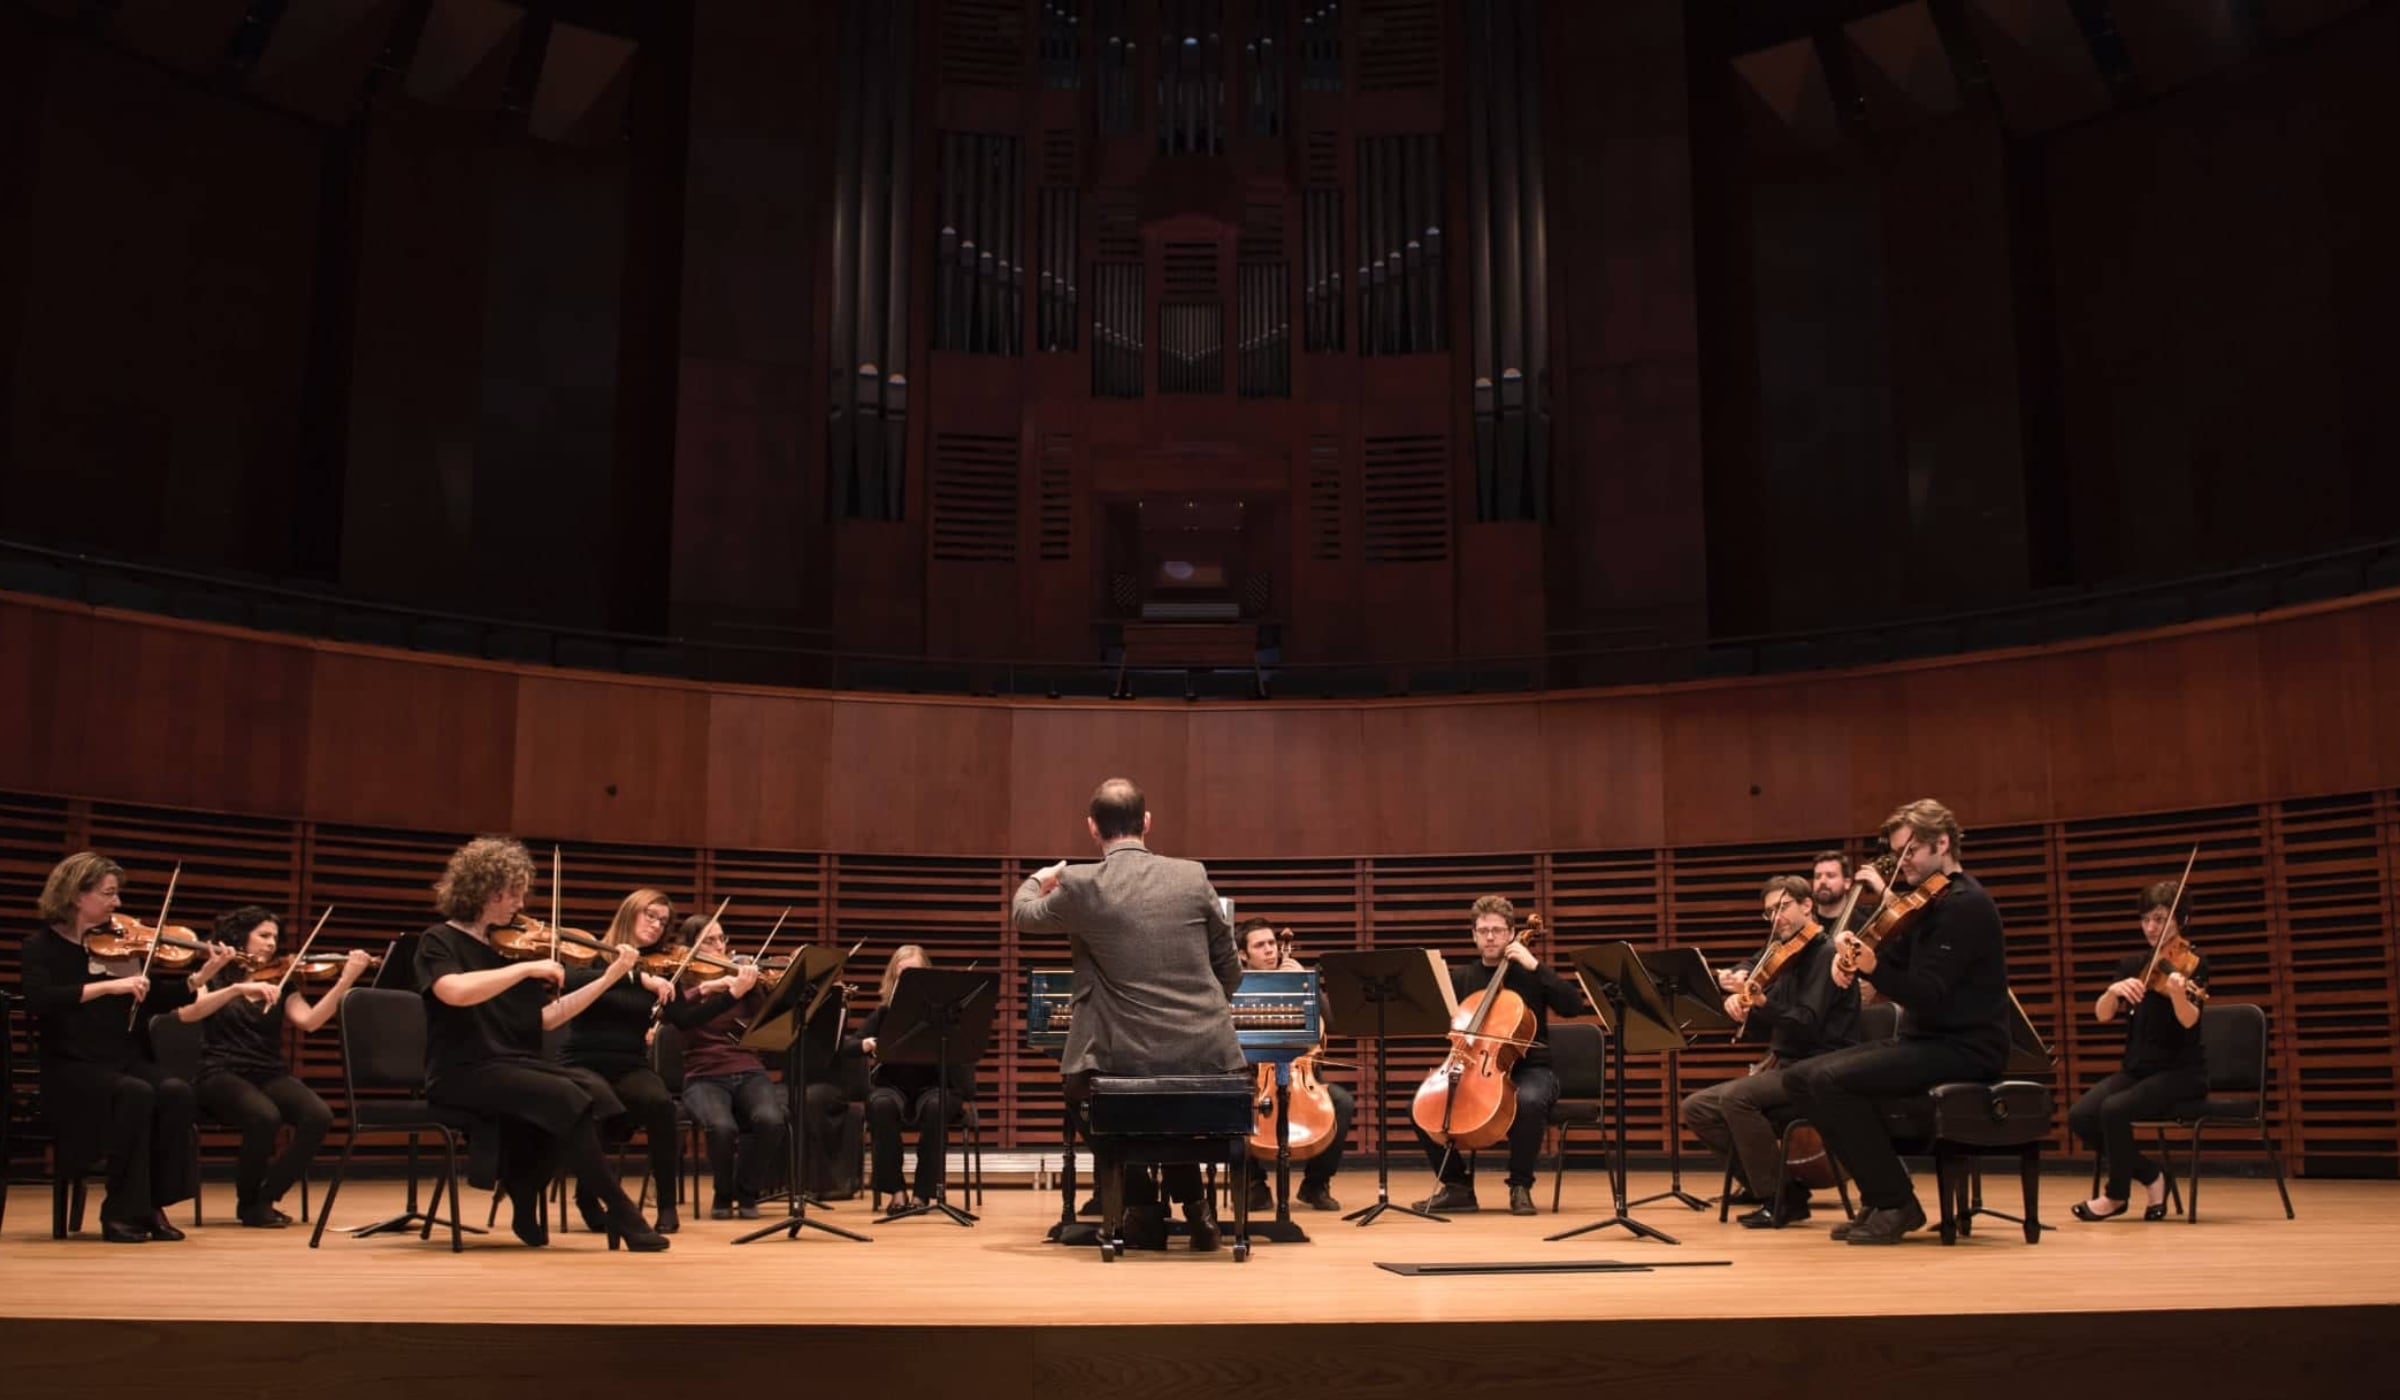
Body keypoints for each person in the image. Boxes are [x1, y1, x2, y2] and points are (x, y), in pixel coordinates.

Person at [1010, 777, 1244, 1251]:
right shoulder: (1192, 875)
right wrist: (1194, 1012)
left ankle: (1142, 1209)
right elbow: (1231, 971)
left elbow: (1023, 915)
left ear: (1092, 827)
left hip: (1123, 1051)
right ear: (1147, 822)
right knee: (1169, 1105)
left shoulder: (1081, 883)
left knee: (1087, 1094)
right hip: (1206, 1051)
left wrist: (1041, 877)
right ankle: (1197, 1210)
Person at [411, 837, 668, 1251]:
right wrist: (525, 970)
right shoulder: (439, 940)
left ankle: (526, 1185)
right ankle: (621, 1209)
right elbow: (452, 991)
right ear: (484, 890)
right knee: (565, 1095)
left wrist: (609, 977)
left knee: (595, 1091)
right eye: (513, 893)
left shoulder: (511, 948)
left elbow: (547, 1018)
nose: (520, 903)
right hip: (463, 1070)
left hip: (514, 1064)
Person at [1785, 798, 2012, 1245]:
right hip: (1926, 1041)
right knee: (1799, 1079)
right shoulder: (1926, 904)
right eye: (1897, 852)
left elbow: (1927, 993)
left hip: (1966, 1047)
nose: (1901, 862)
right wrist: (1851, 960)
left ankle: (1896, 1202)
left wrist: (1872, 968)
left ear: (1942, 844)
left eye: (1910, 851)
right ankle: (1880, 1192)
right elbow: (1893, 960)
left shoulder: (1965, 905)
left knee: (1829, 1080)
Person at [15, 852, 265, 1242]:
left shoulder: (119, 945)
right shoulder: (41, 946)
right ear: (77, 894)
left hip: (123, 1058)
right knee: (135, 1093)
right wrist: (108, 986)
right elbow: (39, 1000)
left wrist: (203, 975)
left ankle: (151, 1204)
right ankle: (119, 1211)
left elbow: (155, 999)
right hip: (72, 1066)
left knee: (176, 1091)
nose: (117, 903)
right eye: (108, 893)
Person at [1682, 875, 1860, 1228]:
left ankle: (1781, 1198)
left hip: (1820, 1068)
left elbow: (1806, 1023)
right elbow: (1766, 1010)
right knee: (1697, 1108)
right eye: (1769, 912)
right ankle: (1772, 1187)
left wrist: (1763, 1003)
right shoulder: (1784, 956)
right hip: (1787, 1067)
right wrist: (1742, 1005)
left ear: (1807, 905)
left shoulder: (1825, 954)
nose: (1776, 917)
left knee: (1736, 1098)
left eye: (1783, 907)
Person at [178, 905, 373, 1227]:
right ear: (241, 936)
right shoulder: (214, 976)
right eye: (263, 935)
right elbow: (189, 1013)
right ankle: (248, 1203)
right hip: (219, 1071)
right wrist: (237, 989)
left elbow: (310, 1021)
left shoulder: (283, 982)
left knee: (318, 1115)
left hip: (267, 1071)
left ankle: (267, 1196)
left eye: (274, 937)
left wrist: (346, 980)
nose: (271, 943)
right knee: (264, 1116)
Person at [1412, 895, 1590, 1217]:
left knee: (1528, 1101)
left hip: (1532, 1070)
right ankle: (1457, 1187)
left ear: (1510, 933)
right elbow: (1437, 1020)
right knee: (1423, 1107)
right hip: (1473, 1067)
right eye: (1483, 931)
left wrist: (1535, 966)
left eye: (1497, 930)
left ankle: (1520, 1186)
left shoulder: (1530, 973)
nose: (1490, 937)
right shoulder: (1462, 978)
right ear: (1474, 935)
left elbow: (1573, 1005)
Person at [558, 888, 704, 1233]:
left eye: (663, 922)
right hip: (582, 1061)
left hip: (629, 1064)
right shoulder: (591, 955)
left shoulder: (659, 967)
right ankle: (588, 1197)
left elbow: (686, 1019)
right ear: (629, 912)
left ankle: (666, 1205)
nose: (656, 925)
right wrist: (636, 977)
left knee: (661, 1105)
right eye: (649, 915)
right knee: (600, 1105)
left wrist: (733, 993)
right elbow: (569, 981)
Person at [2068, 880, 2208, 1222]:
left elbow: (2190, 1020)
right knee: (2081, 1116)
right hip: (2138, 1070)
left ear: (2181, 919)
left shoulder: (2193, 963)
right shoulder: (2133, 965)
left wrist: (2178, 995)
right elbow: (2102, 1014)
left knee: (2114, 1109)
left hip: (2181, 1072)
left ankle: (2115, 1196)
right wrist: (2112, 991)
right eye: (2146, 919)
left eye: (2160, 919)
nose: (2151, 928)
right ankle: (2151, 1175)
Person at [668, 914, 789, 1219]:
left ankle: (747, 1191)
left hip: (748, 1068)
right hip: (703, 1074)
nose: (720, 946)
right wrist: (707, 989)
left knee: (772, 1120)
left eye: (722, 939)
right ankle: (723, 1193)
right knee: (721, 1128)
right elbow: (673, 1017)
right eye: (709, 941)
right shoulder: (682, 981)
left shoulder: (738, 979)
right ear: (690, 946)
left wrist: (756, 988)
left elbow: (765, 1023)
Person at [1234, 917, 1352, 1212]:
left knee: (1342, 1103)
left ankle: (1315, 1185)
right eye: (1260, 945)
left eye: (1272, 943)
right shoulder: (1236, 987)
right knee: (1234, 1103)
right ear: (1243, 955)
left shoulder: (1297, 978)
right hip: (1254, 1078)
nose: (1270, 950)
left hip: (1302, 1077)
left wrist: (1307, 985)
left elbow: (1333, 1022)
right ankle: (1254, 1185)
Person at [851, 945, 970, 1212]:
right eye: (902, 973)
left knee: (937, 1107)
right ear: (893, 976)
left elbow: (964, 1051)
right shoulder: (884, 1013)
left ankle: (923, 1193)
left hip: (934, 1086)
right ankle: (895, 1190)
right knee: (880, 1104)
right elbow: (850, 1044)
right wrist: (867, 1043)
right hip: (892, 1087)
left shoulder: (943, 1016)